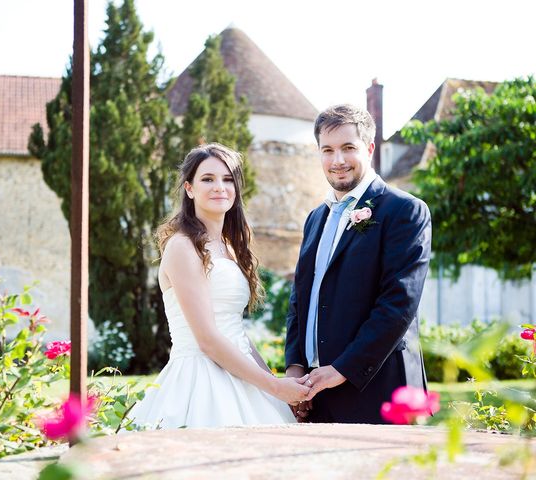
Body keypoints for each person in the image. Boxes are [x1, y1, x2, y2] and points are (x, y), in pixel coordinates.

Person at [130, 143, 311, 429]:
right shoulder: (182, 246)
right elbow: (208, 340)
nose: (220, 187)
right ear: (189, 188)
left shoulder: (230, 248)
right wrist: (275, 388)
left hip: (242, 375)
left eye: (228, 180)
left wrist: (275, 387)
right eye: (208, 179)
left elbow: (237, 333)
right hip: (199, 380)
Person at [285, 104, 432, 424]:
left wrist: (341, 370)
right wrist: (295, 370)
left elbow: (398, 304)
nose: (337, 160)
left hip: (379, 391)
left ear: (368, 148)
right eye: (328, 150)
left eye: (348, 148)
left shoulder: (404, 210)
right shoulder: (315, 219)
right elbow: (300, 298)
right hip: (315, 393)